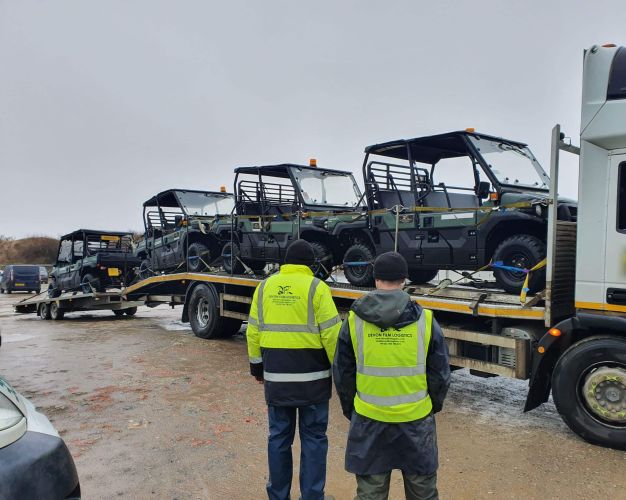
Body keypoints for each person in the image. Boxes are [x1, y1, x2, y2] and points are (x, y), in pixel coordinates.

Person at [333, 252, 451, 500]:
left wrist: (351, 410)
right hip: (416, 420)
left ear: (375, 280)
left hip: (369, 419)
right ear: (404, 280)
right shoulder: (426, 320)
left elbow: (343, 373)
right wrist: (431, 406)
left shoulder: (354, 320)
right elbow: (440, 374)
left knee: (370, 494)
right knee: (423, 492)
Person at [246, 239, 341, 500]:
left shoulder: (264, 287)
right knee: (314, 439)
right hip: (314, 381)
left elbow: (253, 331)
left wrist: (257, 368)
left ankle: (278, 496)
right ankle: (311, 497)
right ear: (311, 264)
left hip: (276, 379)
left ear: (285, 263)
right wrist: (341, 372)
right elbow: (332, 335)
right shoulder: (317, 288)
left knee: (278, 438)